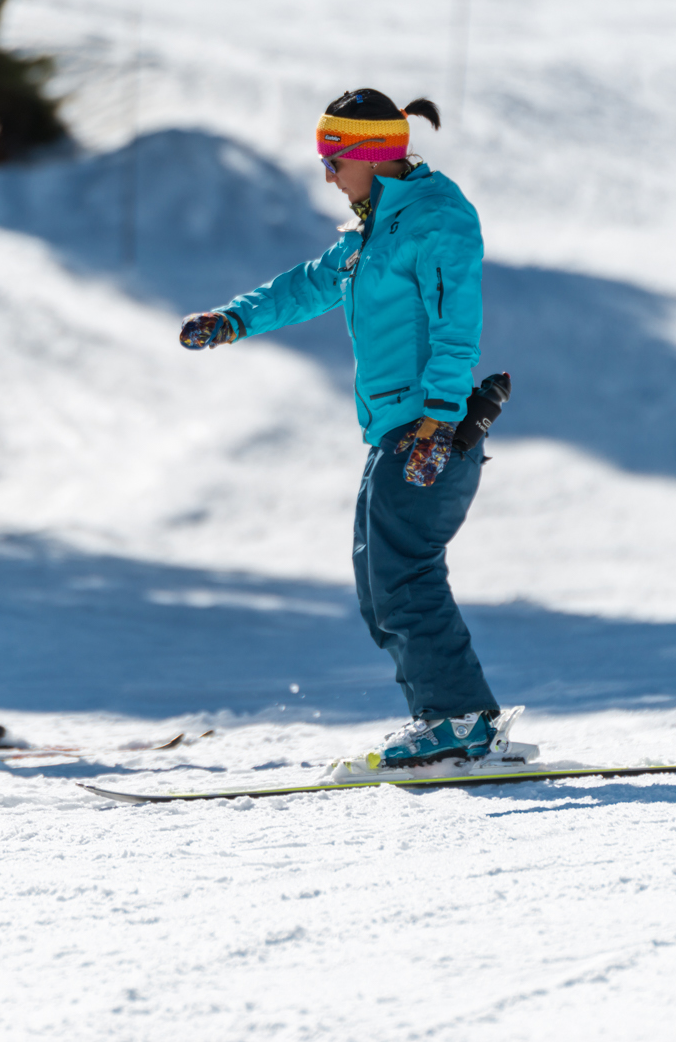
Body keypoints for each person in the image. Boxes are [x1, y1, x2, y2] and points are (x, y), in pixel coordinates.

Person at [178, 89, 505, 768]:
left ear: (371, 155)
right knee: (379, 585)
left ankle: (460, 721)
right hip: (396, 430)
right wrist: (234, 318)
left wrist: (439, 424)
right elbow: (305, 284)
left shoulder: (436, 220)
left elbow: (455, 329)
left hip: (426, 429)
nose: (326, 174)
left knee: (404, 576)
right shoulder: (372, 232)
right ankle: (446, 717)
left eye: (333, 159)